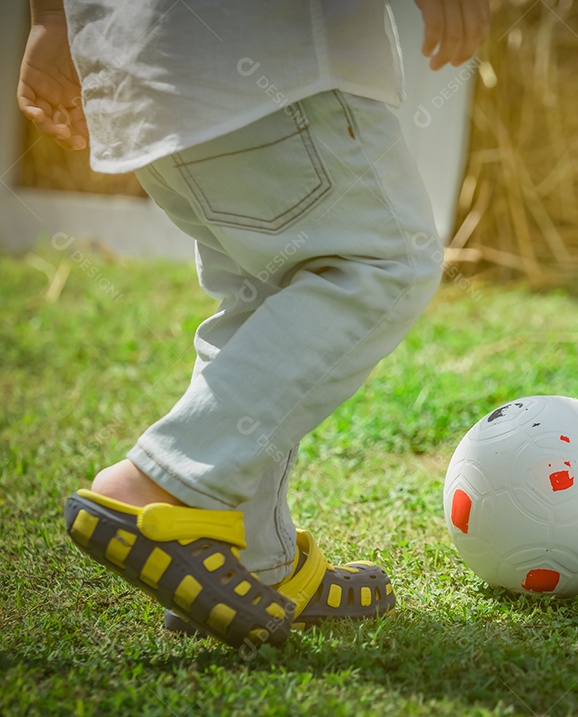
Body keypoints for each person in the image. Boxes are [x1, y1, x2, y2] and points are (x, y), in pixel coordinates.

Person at [18, 0, 490, 650]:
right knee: (386, 260)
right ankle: (164, 482)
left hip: (141, 68)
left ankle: (249, 556)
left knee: (265, 292)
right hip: (269, 63)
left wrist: (49, 19)